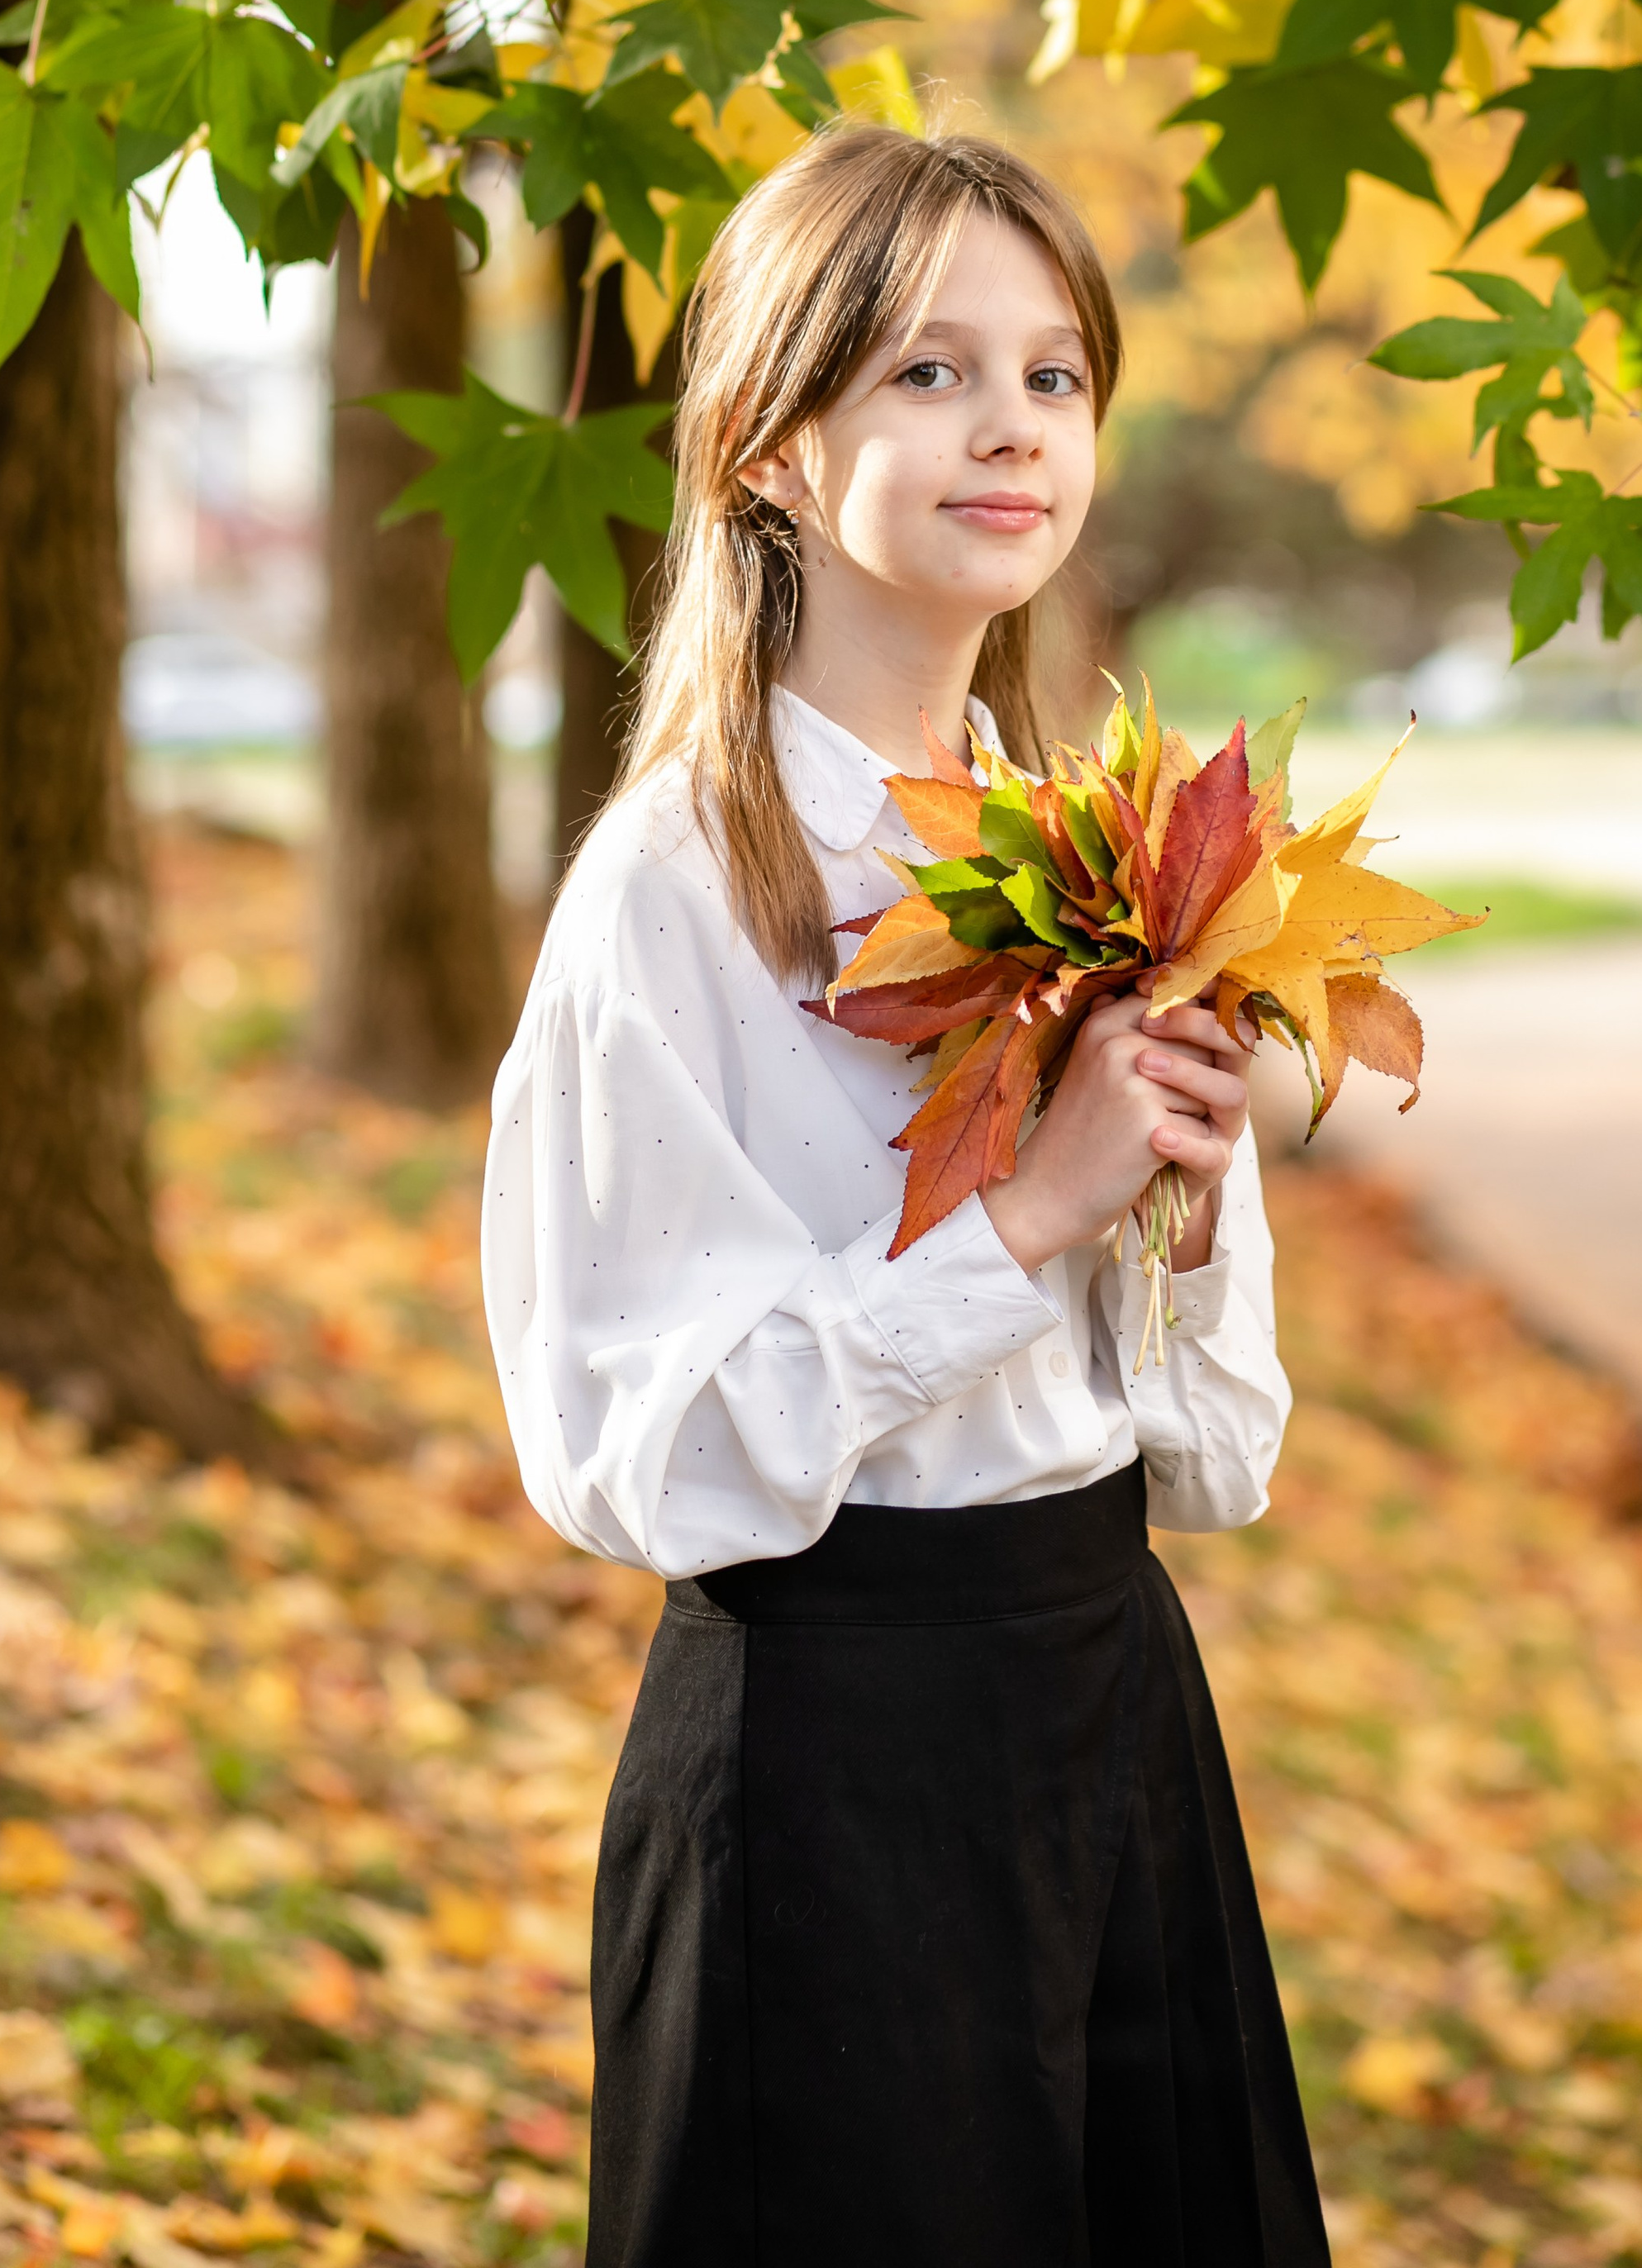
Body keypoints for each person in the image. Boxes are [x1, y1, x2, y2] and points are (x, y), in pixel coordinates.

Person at [483, 121, 1328, 2268]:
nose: (1013, 427)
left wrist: (1187, 1202)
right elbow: (648, 1452)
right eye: (930, 372)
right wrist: (1023, 1219)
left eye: (1056, 375)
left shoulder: (1092, 850)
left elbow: (1212, 1457)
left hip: (1109, 1710)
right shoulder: (679, 887)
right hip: (831, 1757)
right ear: (770, 448)